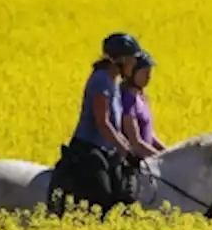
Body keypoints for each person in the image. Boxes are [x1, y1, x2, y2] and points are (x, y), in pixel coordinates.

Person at [51, 32, 144, 216]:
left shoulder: (113, 82)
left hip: (107, 150)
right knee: (102, 196)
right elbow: (103, 123)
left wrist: (126, 149)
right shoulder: (101, 80)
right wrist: (125, 148)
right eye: (133, 61)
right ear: (122, 60)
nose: (134, 66)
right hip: (89, 149)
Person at [120, 51, 167, 159]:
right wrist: (159, 159)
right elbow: (135, 142)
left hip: (146, 158)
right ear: (132, 73)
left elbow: (150, 135)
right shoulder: (128, 100)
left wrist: (168, 153)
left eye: (149, 72)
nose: (149, 76)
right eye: (144, 72)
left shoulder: (141, 98)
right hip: (134, 162)